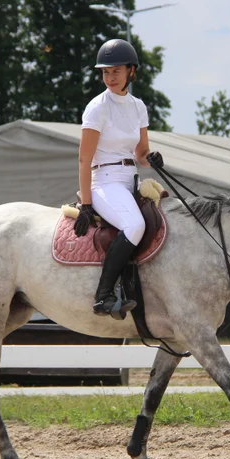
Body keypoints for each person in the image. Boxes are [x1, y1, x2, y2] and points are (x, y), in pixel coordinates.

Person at [74, 38, 164, 316]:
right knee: (134, 225)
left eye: (116, 71)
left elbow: (140, 153)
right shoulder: (97, 107)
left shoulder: (138, 107)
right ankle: (103, 296)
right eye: (105, 72)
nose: (110, 77)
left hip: (129, 180)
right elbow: (84, 158)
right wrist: (87, 203)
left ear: (131, 72)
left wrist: (152, 158)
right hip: (104, 182)